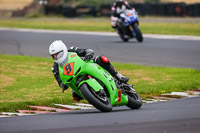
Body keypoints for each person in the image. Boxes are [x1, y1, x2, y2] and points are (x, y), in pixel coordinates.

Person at [49, 40, 129, 101]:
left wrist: (88, 53)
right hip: (75, 79)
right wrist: (62, 85)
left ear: (64, 50)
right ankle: (95, 97)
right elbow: (59, 80)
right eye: (54, 56)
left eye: (58, 54)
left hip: (86, 65)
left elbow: (86, 51)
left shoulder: (72, 50)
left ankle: (118, 75)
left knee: (102, 59)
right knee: (75, 97)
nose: (57, 57)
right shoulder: (55, 67)